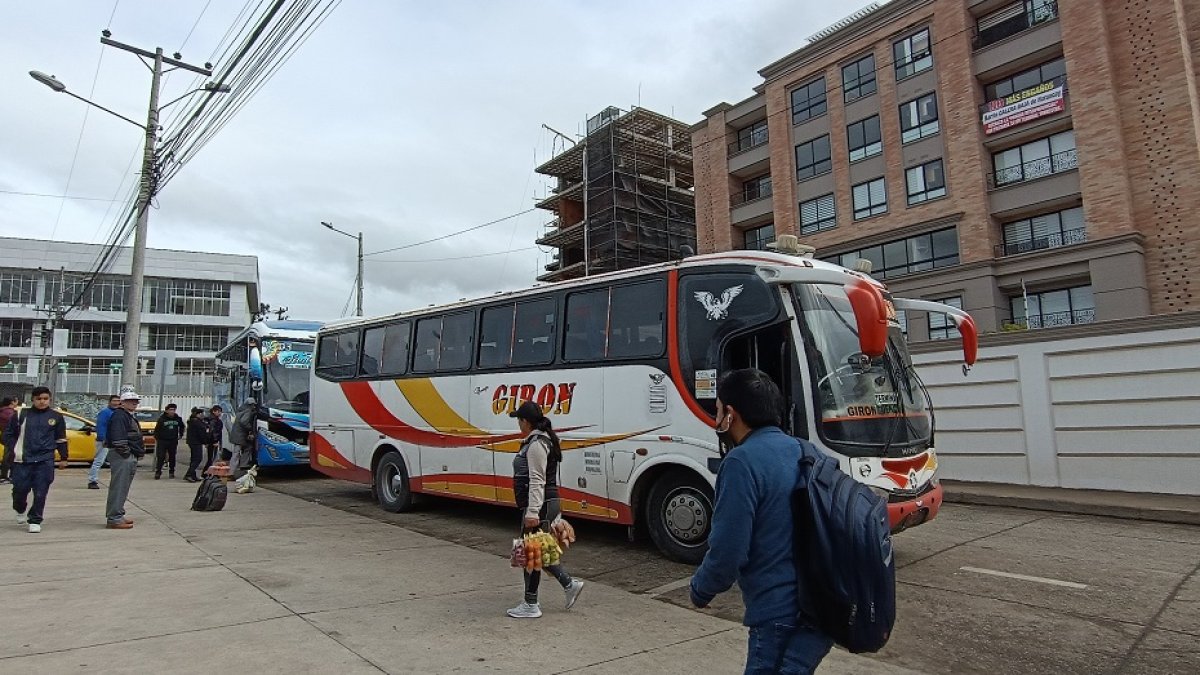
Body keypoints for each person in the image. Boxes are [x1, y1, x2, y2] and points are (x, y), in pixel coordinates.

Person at [690, 369, 832, 674]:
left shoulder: (742, 462)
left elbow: (728, 550)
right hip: (822, 610)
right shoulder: (808, 452)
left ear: (730, 414)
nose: (716, 420)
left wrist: (701, 590)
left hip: (779, 612)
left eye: (717, 410)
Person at [506, 400, 584, 619]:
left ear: (526, 421)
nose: (518, 425)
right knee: (538, 550)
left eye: (519, 420)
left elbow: (537, 480)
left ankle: (531, 604)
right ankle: (569, 585)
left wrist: (532, 512)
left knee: (529, 553)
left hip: (541, 506)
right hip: (546, 504)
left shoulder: (537, 444)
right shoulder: (537, 440)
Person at [3, 386, 68, 534]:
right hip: (22, 460)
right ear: (32, 399)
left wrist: (64, 458)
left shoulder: (56, 417)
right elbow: (8, 434)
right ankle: (20, 509)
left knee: (40, 492)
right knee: (20, 490)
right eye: (39, 399)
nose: (42, 402)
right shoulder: (20, 414)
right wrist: (14, 448)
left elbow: (61, 438)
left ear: (49, 399)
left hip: (45, 460)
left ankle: (35, 520)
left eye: (45, 399)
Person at [104, 391, 145, 530]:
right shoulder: (120, 416)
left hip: (125, 455)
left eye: (136, 401)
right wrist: (127, 454)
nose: (134, 403)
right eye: (130, 401)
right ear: (122, 402)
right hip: (122, 456)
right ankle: (114, 517)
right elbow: (118, 438)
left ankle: (118, 515)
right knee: (119, 487)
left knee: (122, 487)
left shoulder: (126, 415)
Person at [88, 395, 120, 489]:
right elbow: (100, 426)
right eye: (114, 401)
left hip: (115, 441)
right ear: (109, 402)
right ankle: (92, 481)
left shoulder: (118, 413)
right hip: (104, 441)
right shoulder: (105, 412)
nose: (116, 403)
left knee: (116, 462)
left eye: (118, 401)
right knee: (99, 461)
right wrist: (103, 439)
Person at [227, 397, 258, 477]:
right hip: (240, 436)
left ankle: (243, 465)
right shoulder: (248, 411)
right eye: (253, 405)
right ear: (250, 405)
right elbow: (244, 422)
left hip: (237, 435)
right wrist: (250, 429)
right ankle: (231, 472)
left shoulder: (240, 410)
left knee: (248, 447)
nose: (254, 407)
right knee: (236, 453)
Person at [152, 403, 184, 479]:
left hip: (173, 440)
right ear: (166, 411)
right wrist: (158, 438)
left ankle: (171, 472)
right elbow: (157, 430)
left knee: (172, 456)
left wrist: (181, 434)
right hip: (162, 440)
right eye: (170, 410)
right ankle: (158, 472)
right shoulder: (162, 419)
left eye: (173, 410)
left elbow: (182, 426)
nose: (172, 411)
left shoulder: (178, 418)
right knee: (161, 456)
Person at [184, 407, 208, 483]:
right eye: (202, 414)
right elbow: (201, 433)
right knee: (197, 458)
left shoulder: (193, 421)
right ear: (198, 414)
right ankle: (189, 474)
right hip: (196, 442)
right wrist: (205, 441)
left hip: (193, 442)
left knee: (194, 459)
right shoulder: (197, 422)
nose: (203, 415)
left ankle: (193, 475)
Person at [0, 396, 18, 485]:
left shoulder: (2, 411)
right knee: (11, 457)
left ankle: (5, 476)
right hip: (11, 437)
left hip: (5, 436)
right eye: (16, 401)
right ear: (12, 402)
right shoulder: (10, 413)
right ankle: (8, 476)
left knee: (8, 456)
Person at [204, 405, 224, 472]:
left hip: (210, 441)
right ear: (213, 411)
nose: (220, 413)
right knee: (212, 458)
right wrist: (215, 441)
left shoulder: (209, 419)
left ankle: (207, 473)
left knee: (211, 458)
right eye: (218, 411)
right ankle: (206, 473)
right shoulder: (214, 420)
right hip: (213, 442)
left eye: (220, 411)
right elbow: (213, 432)